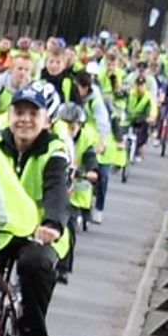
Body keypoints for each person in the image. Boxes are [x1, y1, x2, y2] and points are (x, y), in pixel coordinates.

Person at [0, 86, 71, 336]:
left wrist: (53, 223)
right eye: (19, 112)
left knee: (34, 265)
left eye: (33, 113)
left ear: (46, 120)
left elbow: (57, 190)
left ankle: (31, 332)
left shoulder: (55, 151)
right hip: (0, 228)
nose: (24, 119)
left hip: (39, 232)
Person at [55, 102, 100, 283]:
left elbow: (93, 169)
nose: (69, 130)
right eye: (65, 125)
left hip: (75, 194)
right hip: (54, 189)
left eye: (72, 126)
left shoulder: (86, 142)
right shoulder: (54, 136)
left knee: (70, 228)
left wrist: (86, 173)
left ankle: (64, 268)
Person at [74, 69, 113, 223]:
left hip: (97, 142)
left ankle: (99, 208)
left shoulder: (95, 101)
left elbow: (103, 124)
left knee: (102, 176)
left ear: (85, 87)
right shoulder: (75, 99)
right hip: (80, 140)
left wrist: (102, 143)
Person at [0, 52, 35, 124]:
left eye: (27, 70)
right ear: (11, 69)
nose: (23, 73)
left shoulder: (32, 88)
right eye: (20, 68)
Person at [124, 75, 158, 161]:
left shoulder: (148, 96)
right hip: (129, 118)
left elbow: (153, 108)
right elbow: (123, 103)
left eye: (141, 85)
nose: (139, 87)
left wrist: (152, 117)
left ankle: (138, 151)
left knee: (143, 132)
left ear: (145, 86)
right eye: (138, 85)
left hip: (142, 119)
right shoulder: (130, 94)